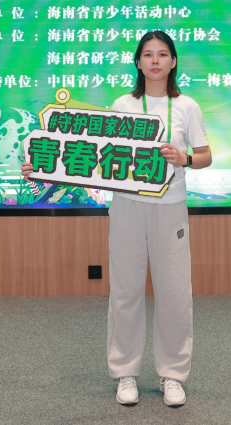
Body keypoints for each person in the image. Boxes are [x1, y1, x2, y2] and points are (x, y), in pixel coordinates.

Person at [23, 30, 211, 407]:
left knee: (174, 294)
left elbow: (205, 155)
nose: (155, 60)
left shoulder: (187, 106)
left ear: (173, 61)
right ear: (138, 62)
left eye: (163, 54)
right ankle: (125, 372)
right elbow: (93, 155)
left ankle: (173, 375)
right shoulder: (123, 104)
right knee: (126, 291)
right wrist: (43, 165)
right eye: (148, 54)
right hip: (127, 206)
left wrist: (184, 158)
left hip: (170, 207)